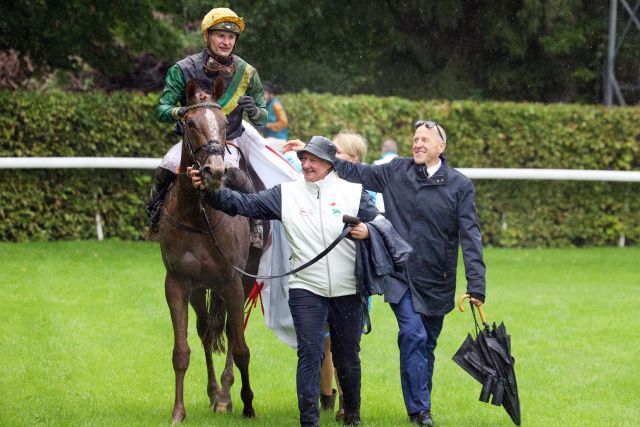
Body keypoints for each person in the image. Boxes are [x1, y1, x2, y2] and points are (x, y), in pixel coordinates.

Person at [287, 121, 486, 426]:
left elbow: (471, 236)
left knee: (425, 345)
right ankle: (420, 411)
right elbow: (355, 171)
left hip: (438, 281)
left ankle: (422, 404)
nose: (418, 144)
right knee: (413, 334)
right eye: (415, 139)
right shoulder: (395, 170)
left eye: (425, 140)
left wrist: (477, 285)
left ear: (441, 148)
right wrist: (312, 153)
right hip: (400, 276)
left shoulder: (460, 186)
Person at [189, 136, 379, 427]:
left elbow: (381, 226)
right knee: (309, 354)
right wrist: (210, 189)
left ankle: (352, 416)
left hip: (348, 290)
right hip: (306, 288)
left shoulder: (354, 192)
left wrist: (368, 231)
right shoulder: (286, 193)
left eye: (313, 159)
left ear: (330, 164)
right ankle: (309, 421)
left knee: (348, 357)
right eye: (304, 158)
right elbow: (243, 204)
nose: (306, 163)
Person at [145, 7, 267, 228]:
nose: (226, 41)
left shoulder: (247, 73)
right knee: (165, 168)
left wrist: (255, 111)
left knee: (241, 180)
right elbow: (161, 110)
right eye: (221, 35)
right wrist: (180, 112)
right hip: (194, 142)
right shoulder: (182, 69)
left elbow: (263, 119)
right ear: (206, 36)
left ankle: (255, 225)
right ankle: (154, 213)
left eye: (231, 37)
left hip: (230, 140)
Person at [319, 130, 373, 421]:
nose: (332, 156)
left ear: (353, 160)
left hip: (352, 282)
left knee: (345, 348)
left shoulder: (366, 194)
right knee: (321, 344)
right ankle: (326, 399)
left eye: (337, 152)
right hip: (318, 279)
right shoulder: (318, 183)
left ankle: (345, 406)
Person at [262, 81, 289, 150]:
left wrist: (268, 125)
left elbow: (284, 122)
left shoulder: (276, 105)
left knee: (262, 146)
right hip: (269, 137)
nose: (262, 96)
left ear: (270, 94)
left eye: (264, 93)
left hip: (278, 139)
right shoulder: (265, 105)